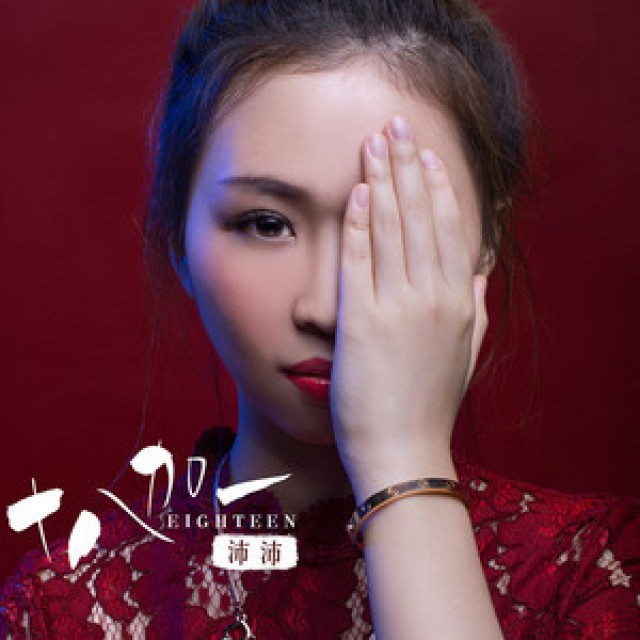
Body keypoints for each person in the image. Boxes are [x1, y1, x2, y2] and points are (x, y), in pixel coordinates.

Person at [1, 0, 639, 638]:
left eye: (393, 222)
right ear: (178, 241)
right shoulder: (61, 612)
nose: (328, 311)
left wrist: (402, 459)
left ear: (487, 243)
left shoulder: (593, 578)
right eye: (266, 223)